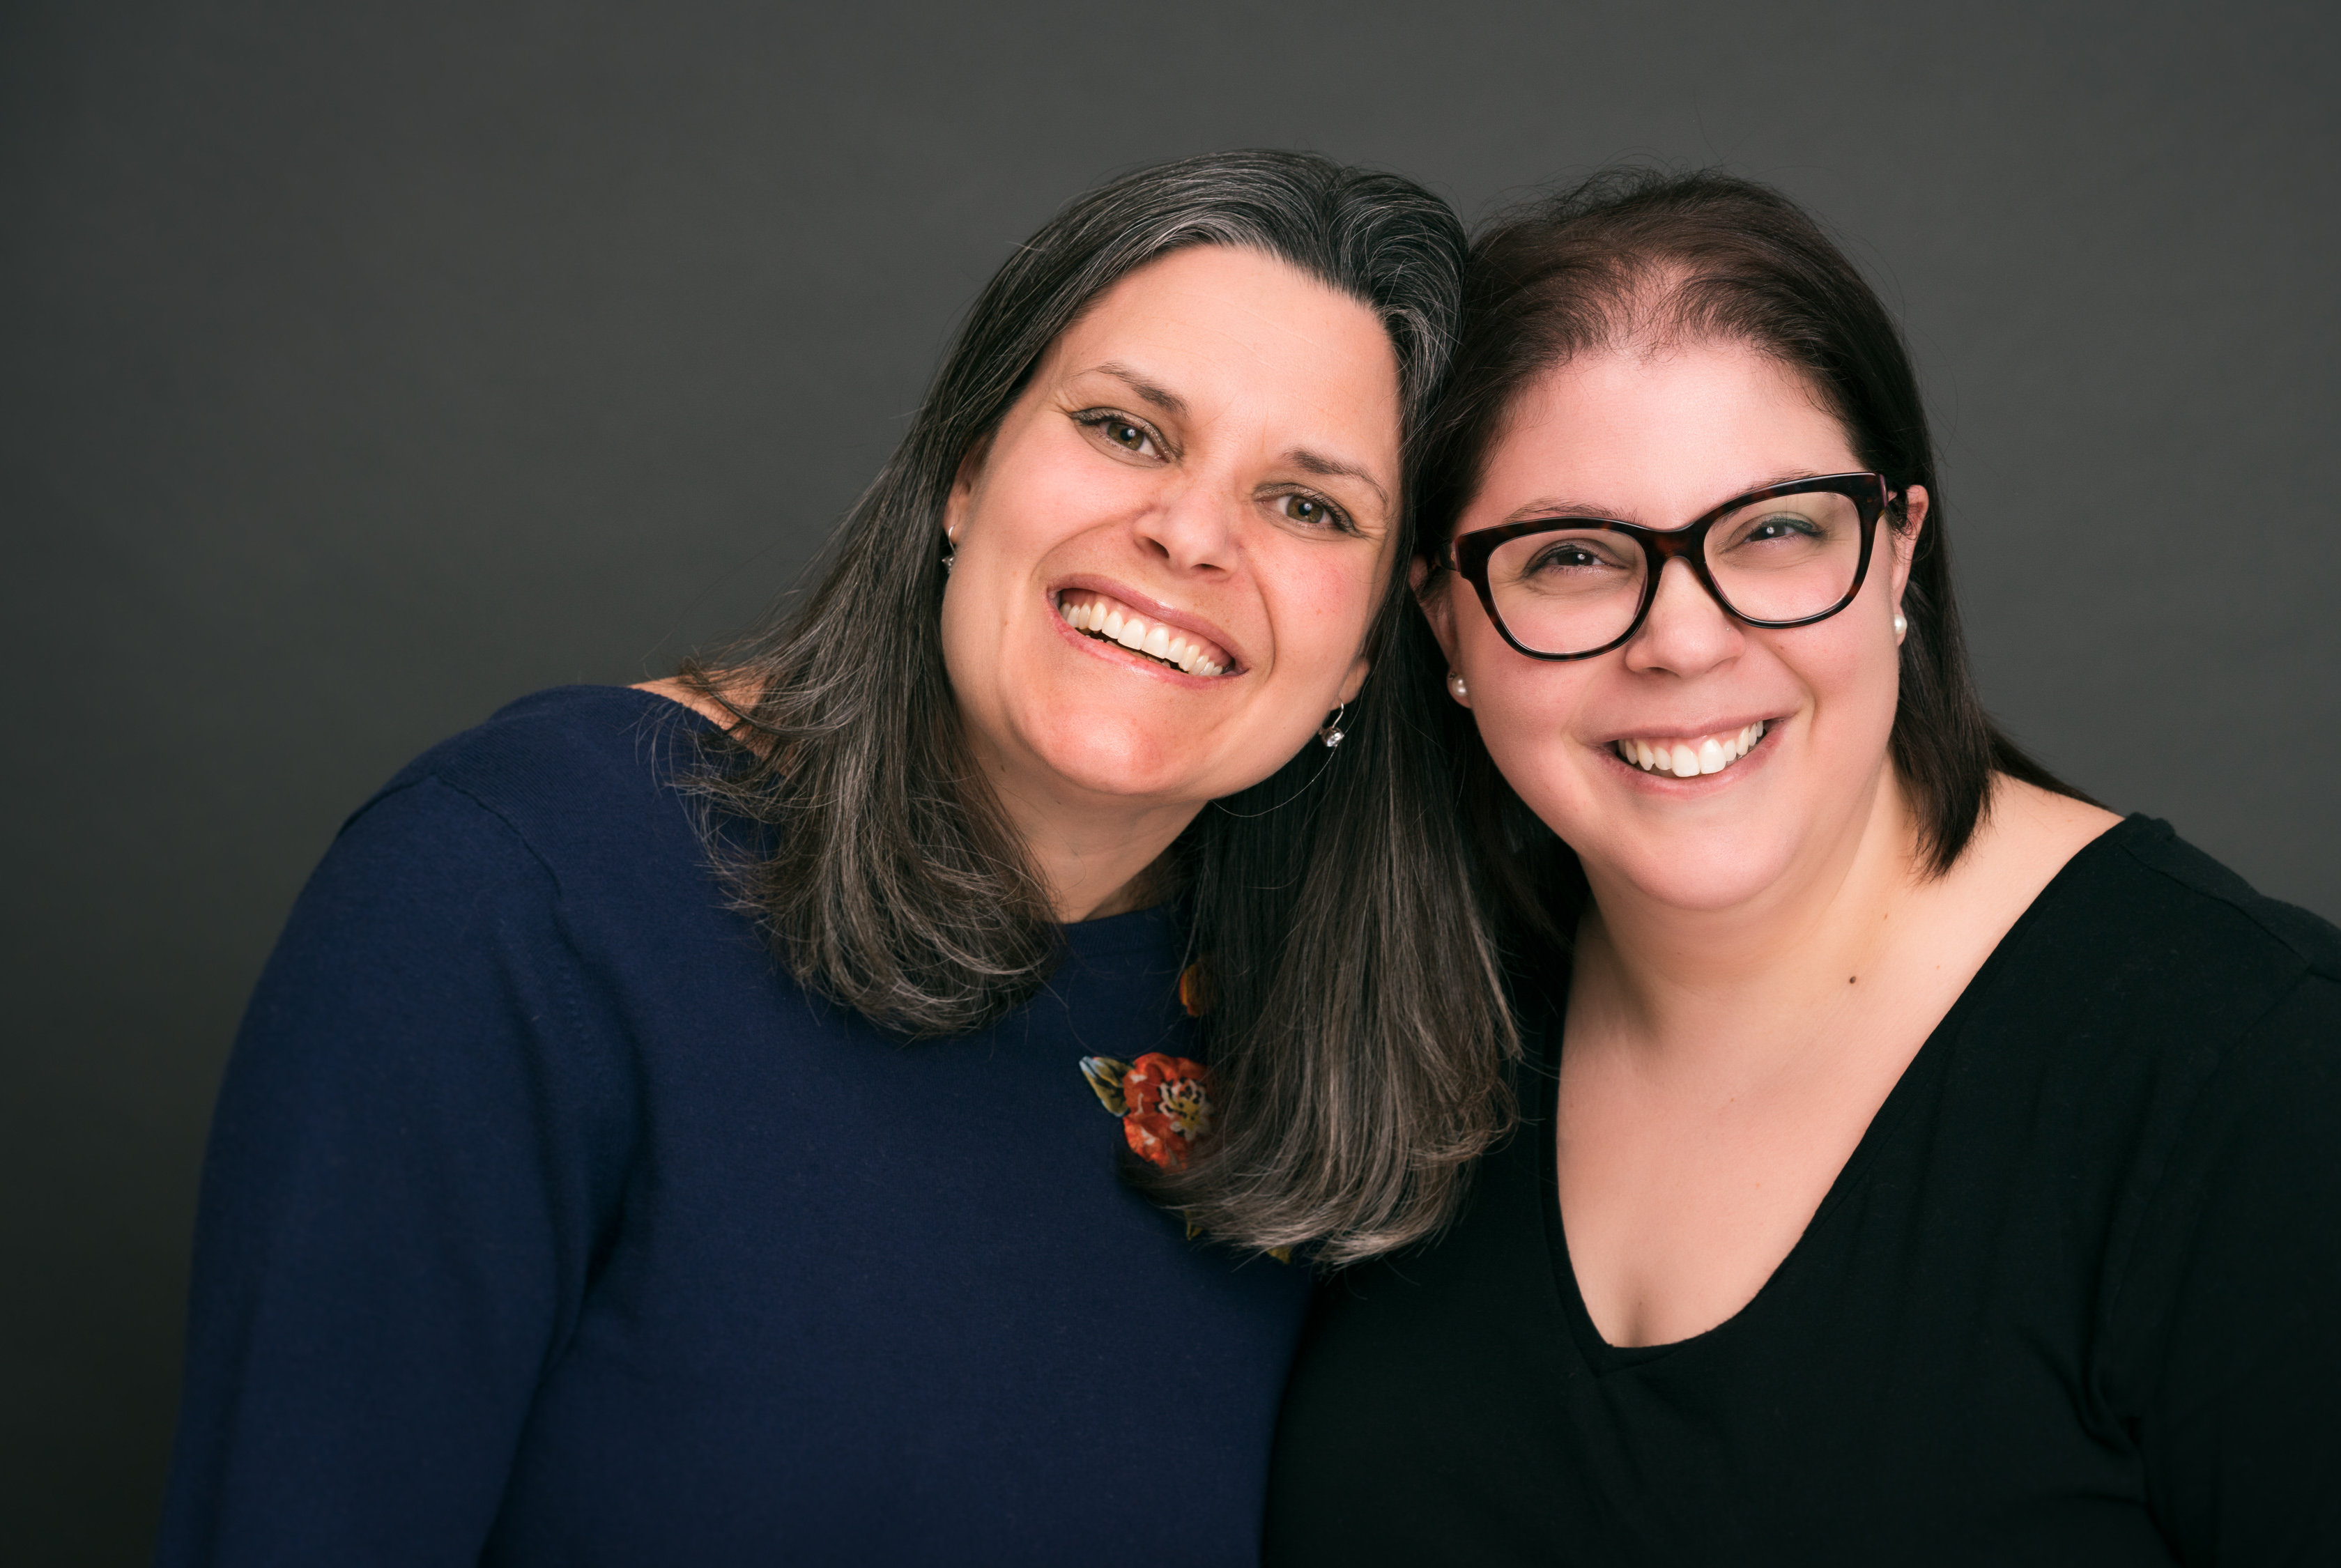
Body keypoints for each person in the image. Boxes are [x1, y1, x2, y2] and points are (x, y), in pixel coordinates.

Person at [157, 150, 1517, 1565]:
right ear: (963, 468)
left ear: (1368, 647)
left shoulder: (1330, 1048)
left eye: (1309, 506)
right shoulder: (512, 891)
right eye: (1124, 429)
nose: (1187, 532)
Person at [1266, 170, 2341, 1565]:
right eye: (1571, 555)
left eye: (1775, 532)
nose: (1679, 639)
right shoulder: (1404, 1042)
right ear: (1443, 617)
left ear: (1898, 553)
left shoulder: (2281, 1095)